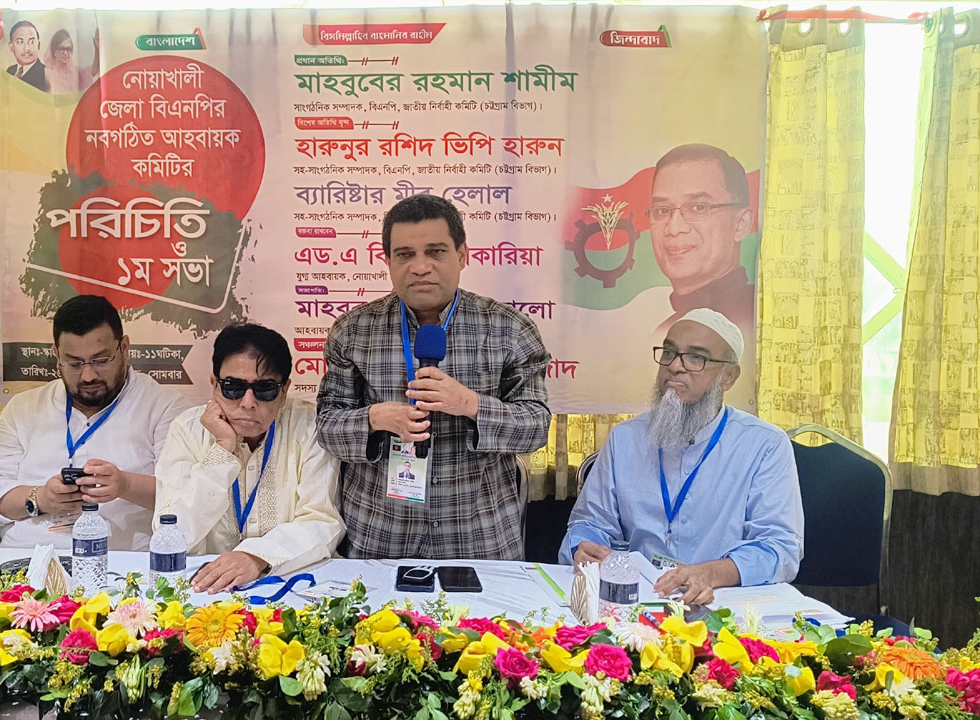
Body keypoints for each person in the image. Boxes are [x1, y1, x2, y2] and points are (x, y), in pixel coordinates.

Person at [317, 194, 552, 560]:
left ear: (462, 255)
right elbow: (327, 428)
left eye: (436, 252)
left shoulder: (509, 329)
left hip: (479, 537)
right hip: (382, 537)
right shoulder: (353, 331)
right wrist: (375, 418)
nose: (420, 267)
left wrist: (471, 405)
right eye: (405, 254)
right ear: (388, 261)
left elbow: (536, 428)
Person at [559, 308, 803, 603]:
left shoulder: (764, 445)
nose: (675, 366)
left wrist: (710, 573)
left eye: (696, 358)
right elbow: (590, 523)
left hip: (725, 601)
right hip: (638, 599)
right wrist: (584, 547)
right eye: (669, 353)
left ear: (728, 376)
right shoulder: (625, 439)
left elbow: (779, 548)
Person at [0, 295, 187, 550]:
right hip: (27, 556)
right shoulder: (23, 408)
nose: (88, 376)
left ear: (124, 348)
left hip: (122, 561)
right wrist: (40, 498)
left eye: (100, 361)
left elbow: (186, 495)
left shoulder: (164, 406)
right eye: (74, 363)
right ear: (56, 355)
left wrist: (125, 485)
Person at [154, 324, 342, 592]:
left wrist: (256, 557)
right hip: (205, 588)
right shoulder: (187, 429)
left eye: (265, 389)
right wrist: (222, 450)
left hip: (293, 583)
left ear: (284, 391)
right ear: (214, 386)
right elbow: (172, 534)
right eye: (234, 387)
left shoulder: (310, 426)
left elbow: (322, 521)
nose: (248, 402)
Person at [648, 144, 756, 332]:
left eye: (697, 208)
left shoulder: (759, 318)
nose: (673, 228)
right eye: (662, 211)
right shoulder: (664, 331)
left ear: (740, 224)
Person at [45, 28, 100, 96]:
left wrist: (97, 48)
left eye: (68, 49)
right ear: (54, 52)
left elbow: (94, 70)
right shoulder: (47, 74)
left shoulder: (76, 73)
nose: (65, 53)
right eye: (62, 49)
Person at [6, 21, 48, 92]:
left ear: (38, 45)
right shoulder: (10, 71)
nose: (26, 48)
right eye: (20, 42)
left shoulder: (47, 75)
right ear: (11, 46)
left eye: (32, 42)